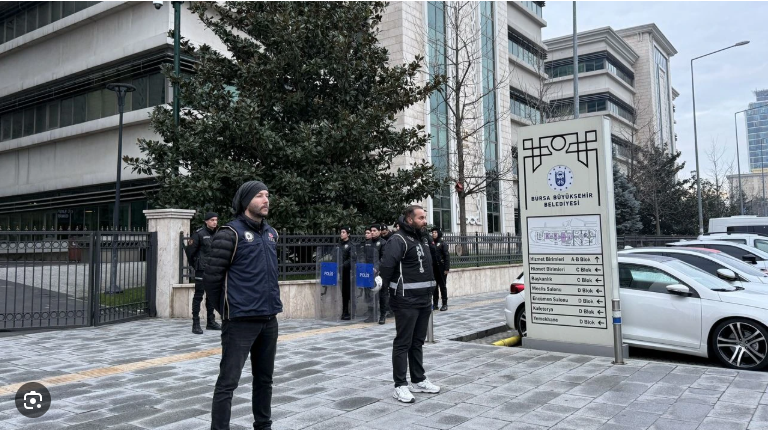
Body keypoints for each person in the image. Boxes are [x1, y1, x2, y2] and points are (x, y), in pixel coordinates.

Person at [204, 181, 282, 430]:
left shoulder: (271, 233)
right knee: (228, 382)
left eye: (267, 195)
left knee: (264, 379)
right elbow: (212, 278)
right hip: (240, 322)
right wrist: (227, 310)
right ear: (246, 200)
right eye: (259, 195)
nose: (265, 200)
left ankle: (263, 425)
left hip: (269, 319)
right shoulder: (230, 233)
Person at [379, 205, 440, 404]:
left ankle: (418, 379)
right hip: (405, 300)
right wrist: (384, 289)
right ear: (409, 218)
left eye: (425, 217)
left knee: (417, 342)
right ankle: (400, 385)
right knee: (403, 342)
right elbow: (387, 267)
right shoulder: (398, 240)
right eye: (421, 218)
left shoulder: (423, 238)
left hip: (424, 299)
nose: (425, 221)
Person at [185, 212, 222, 334]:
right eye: (212, 220)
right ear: (206, 221)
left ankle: (210, 322)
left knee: (211, 296)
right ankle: (195, 323)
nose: (214, 222)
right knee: (198, 296)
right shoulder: (199, 234)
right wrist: (195, 264)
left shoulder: (218, 233)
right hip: (202, 269)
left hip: (214, 269)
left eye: (216, 220)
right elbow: (190, 251)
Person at [370, 224, 389, 324]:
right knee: (369, 293)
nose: (372, 232)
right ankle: (371, 314)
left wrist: (376, 268)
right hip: (369, 272)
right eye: (371, 231)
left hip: (381, 272)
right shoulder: (368, 243)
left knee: (383, 294)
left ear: (379, 231)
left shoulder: (383, 243)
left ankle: (382, 315)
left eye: (374, 230)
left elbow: (383, 258)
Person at [430, 227, 450, 311]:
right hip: (433, 269)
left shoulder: (442, 243)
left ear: (438, 233)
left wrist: (446, 268)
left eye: (435, 232)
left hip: (441, 268)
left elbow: (447, 256)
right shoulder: (431, 243)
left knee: (442, 286)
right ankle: (435, 304)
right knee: (434, 287)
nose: (434, 233)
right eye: (433, 232)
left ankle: (444, 304)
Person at [340, 226, 353, 321]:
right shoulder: (339, 245)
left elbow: (351, 259)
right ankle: (344, 311)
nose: (341, 234)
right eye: (341, 232)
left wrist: (343, 265)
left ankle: (347, 311)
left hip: (348, 272)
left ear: (348, 234)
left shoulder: (351, 245)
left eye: (343, 232)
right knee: (343, 292)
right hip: (340, 272)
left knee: (347, 292)